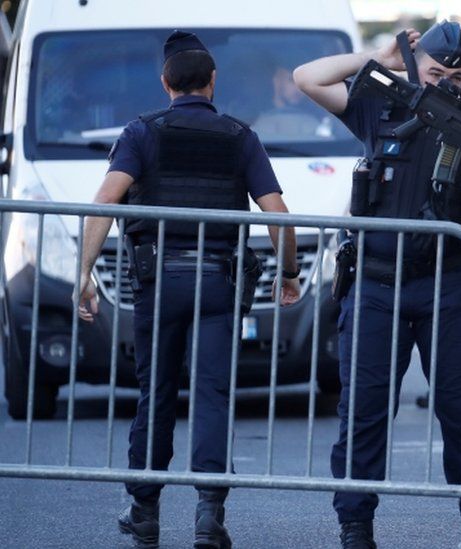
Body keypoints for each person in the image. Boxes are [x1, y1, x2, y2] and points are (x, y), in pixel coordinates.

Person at [75, 31, 301, 548]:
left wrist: (84, 276)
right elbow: (278, 215)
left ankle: (145, 511)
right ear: (213, 82)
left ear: (165, 83)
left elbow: (104, 203)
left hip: (159, 282)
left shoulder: (141, 133)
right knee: (213, 395)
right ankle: (208, 517)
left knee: (155, 394)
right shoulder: (238, 135)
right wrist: (288, 273)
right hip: (218, 283)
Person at [293, 20, 461, 549]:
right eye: (436, 72)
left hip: (451, 285)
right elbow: (307, 78)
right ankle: (355, 526)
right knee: (365, 412)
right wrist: (381, 57)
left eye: (455, 75)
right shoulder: (381, 104)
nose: (446, 84)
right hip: (376, 285)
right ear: (418, 66)